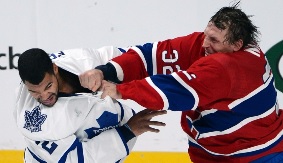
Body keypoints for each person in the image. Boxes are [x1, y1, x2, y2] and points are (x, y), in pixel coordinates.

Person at [79, 3, 283, 163]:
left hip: (257, 155)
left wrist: (120, 90)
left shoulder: (230, 69)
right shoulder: (214, 47)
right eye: (206, 35)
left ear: (236, 45)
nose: (204, 44)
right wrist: (105, 71)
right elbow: (151, 56)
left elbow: (177, 90)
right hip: (214, 152)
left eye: (213, 40)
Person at [15, 47, 166, 162]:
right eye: (34, 92)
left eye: (48, 86)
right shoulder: (33, 122)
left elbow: (133, 59)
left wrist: (176, 75)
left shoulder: (82, 60)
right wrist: (128, 131)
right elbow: (79, 159)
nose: (44, 97)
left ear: (55, 69)